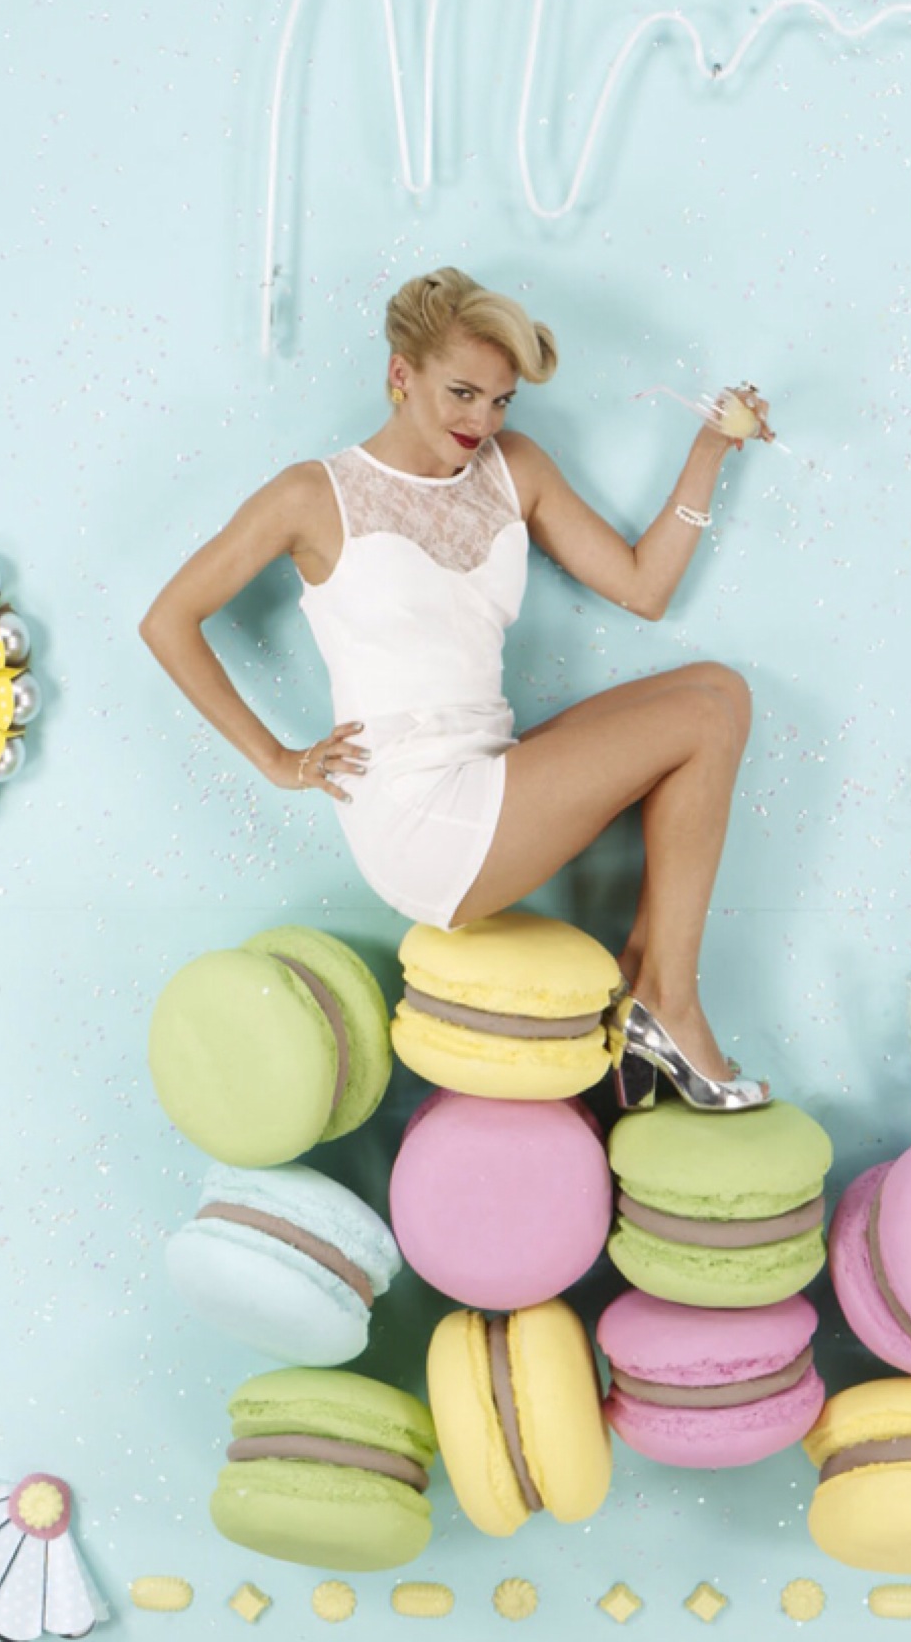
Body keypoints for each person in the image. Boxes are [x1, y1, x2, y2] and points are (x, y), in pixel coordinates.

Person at [140, 267, 774, 1110]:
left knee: (722, 692)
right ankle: (673, 1007)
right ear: (401, 374)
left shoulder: (513, 467)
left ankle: (643, 987)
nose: (482, 421)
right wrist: (278, 761)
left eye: (501, 400)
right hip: (418, 812)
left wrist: (707, 453)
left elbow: (644, 589)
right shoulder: (314, 495)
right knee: (700, 719)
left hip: (490, 766)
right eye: (462, 393)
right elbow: (168, 620)